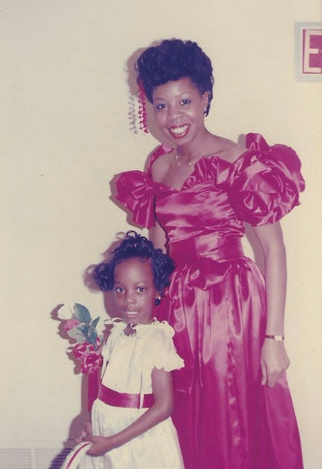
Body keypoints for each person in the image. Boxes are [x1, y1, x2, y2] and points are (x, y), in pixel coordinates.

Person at [113, 39, 305, 469]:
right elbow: (157, 252)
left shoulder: (237, 161)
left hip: (229, 304)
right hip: (176, 306)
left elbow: (273, 250)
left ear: (205, 99)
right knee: (177, 414)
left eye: (184, 101)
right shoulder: (159, 166)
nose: (173, 117)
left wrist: (274, 339)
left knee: (230, 413)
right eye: (160, 105)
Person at [79, 231, 185, 469]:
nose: (128, 300)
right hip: (107, 431)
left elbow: (165, 405)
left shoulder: (157, 339)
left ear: (157, 291)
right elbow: (103, 388)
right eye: (120, 289)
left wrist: (113, 441)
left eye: (140, 289)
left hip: (140, 441)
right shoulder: (114, 333)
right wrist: (89, 421)